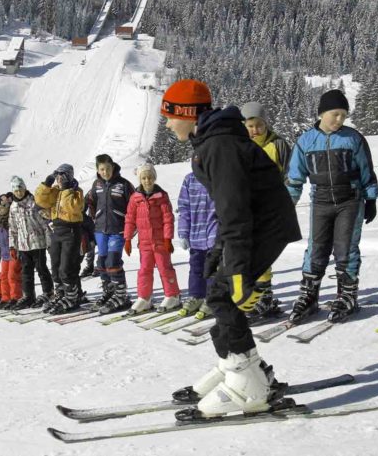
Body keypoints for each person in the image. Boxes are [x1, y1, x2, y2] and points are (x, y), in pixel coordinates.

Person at [160, 79, 302, 418]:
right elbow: (230, 208)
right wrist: (218, 252)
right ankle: (242, 367)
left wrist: (237, 268)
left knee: (224, 296)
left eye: (169, 115)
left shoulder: (218, 146)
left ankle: (247, 386)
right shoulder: (212, 142)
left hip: (264, 225)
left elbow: (236, 210)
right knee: (218, 292)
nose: (167, 124)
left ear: (187, 113)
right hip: (258, 223)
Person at [286, 89, 378, 324]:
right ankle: (309, 295)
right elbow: (295, 178)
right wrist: (287, 205)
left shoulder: (352, 139)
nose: (339, 120)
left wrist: (371, 199)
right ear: (321, 113)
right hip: (321, 202)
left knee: (345, 249)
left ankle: (347, 295)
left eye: (344, 116)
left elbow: (367, 170)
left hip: (350, 200)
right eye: (335, 114)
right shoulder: (306, 141)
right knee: (316, 249)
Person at [240, 101, 292, 319]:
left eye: (259, 125)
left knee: (262, 254)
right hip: (245, 207)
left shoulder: (278, 145)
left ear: (265, 123)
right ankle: (253, 296)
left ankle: (265, 298)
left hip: (270, 207)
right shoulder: (240, 145)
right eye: (250, 126)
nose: (255, 130)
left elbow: (290, 175)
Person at [123, 163, 180, 313]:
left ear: (154, 178)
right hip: (145, 243)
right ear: (140, 179)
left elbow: (168, 218)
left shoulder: (161, 196)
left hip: (160, 241)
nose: (147, 181)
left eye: (149, 177)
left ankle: (173, 295)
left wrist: (168, 238)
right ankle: (144, 298)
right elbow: (130, 219)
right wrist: (127, 238)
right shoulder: (135, 198)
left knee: (165, 268)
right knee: (144, 270)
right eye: (144, 178)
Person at [85, 154, 135, 314]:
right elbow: (90, 201)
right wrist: (94, 217)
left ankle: (121, 295)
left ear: (113, 167)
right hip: (100, 230)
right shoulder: (96, 184)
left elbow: (134, 207)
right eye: (101, 169)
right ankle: (109, 292)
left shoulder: (124, 185)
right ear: (98, 170)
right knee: (102, 263)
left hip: (117, 230)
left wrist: (131, 229)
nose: (105, 172)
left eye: (107, 168)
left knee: (113, 261)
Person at [35, 163, 86, 314]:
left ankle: (72, 297)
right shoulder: (55, 191)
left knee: (66, 268)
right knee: (56, 267)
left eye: (63, 176)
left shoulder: (76, 192)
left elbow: (73, 208)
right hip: (56, 231)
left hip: (71, 231)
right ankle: (62, 294)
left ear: (69, 176)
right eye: (58, 176)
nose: (60, 179)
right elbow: (40, 201)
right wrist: (48, 182)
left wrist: (68, 188)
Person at [7, 176, 54, 309]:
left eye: (20, 189)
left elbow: (45, 224)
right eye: (15, 190)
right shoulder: (13, 207)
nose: (18, 192)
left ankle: (48, 292)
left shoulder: (33, 202)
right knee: (26, 271)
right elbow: (13, 228)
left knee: (41, 268)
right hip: (23, 244)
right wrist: (13, 245)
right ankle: (28, 295)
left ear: (25, 188)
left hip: (37, 242)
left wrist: (49, 240)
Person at [176, 170, 218, 319]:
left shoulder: (218, 176)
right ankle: (196, 296)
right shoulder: (189, 179)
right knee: (196, 268)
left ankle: (211, 300)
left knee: (212, 269)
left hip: (214, 234)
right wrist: (183, 232)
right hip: (195, 235)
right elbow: (184, 208)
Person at [0, 193, 22, 308]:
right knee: (3, 276)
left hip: (13, 252)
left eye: (1, 207)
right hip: (4, 253)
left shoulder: (12, 218)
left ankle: (16, 297)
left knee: (12, 276)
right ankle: (6, 297)